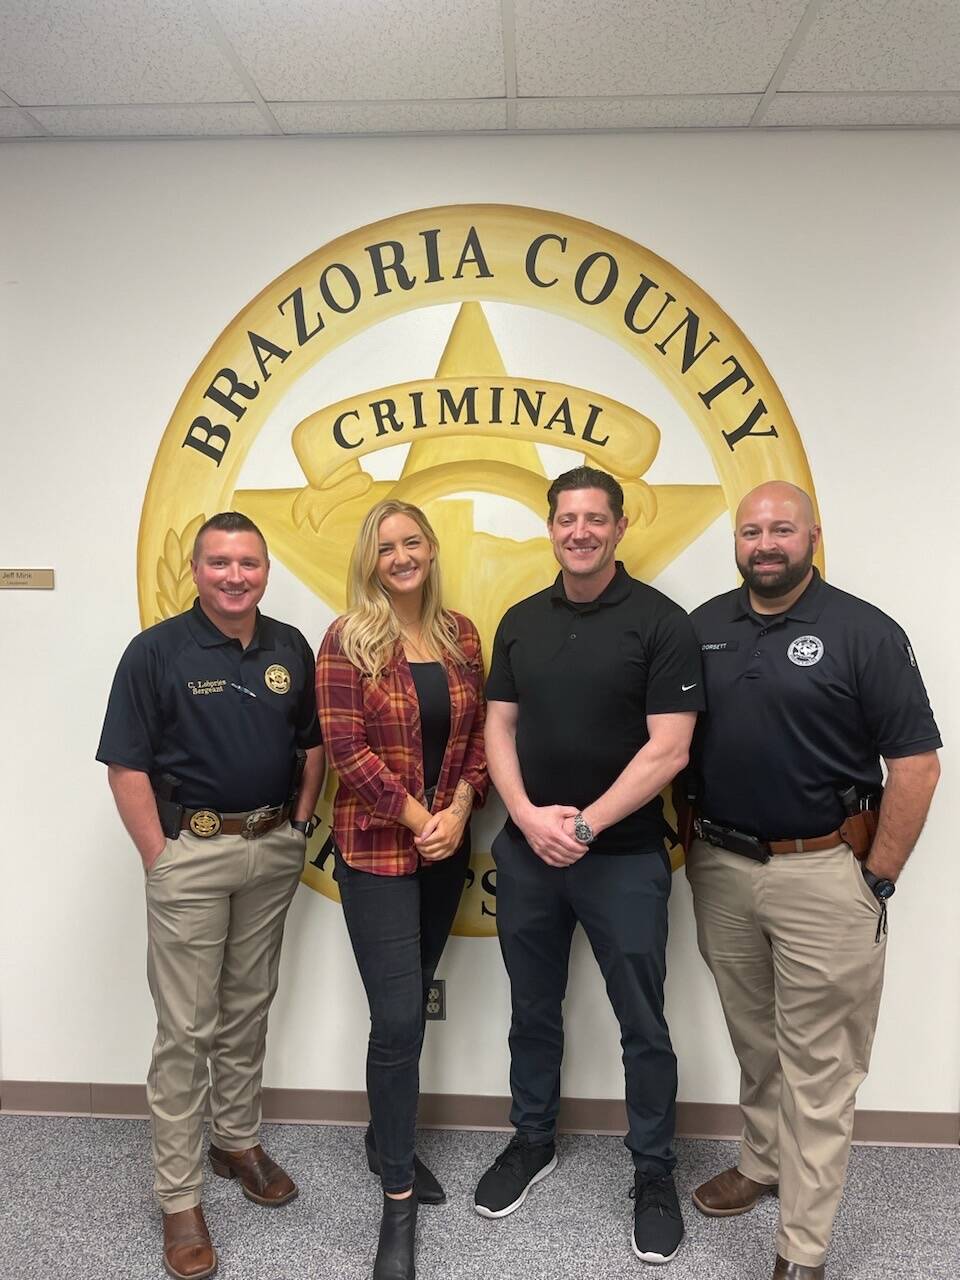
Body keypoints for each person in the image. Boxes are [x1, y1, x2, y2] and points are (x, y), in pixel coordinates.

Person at [684, 481, 941, 1280]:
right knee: (756, 1040)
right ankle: (762, 1162)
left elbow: (917, 767)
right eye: (752, 530)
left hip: (825, 872)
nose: (766, 543)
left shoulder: (863, 631)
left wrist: (879, 878)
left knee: (821, 1066)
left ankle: (804, 1247)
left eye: (782, 529)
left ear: (813, 536)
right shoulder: (702, 628)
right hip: (721, 869)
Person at [474, 465, 703, 1265]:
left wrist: (585, 824)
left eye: (594, 519)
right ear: (551, 527)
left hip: (625, 857)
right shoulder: (520, 621)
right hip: (531, 851)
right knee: (531, 1008)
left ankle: (653, 1172)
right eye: (566, 519)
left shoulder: (661, 622)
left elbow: (668, 747)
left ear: (619, 526)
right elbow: (497, 729)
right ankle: (531, 1140)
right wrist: (530, 818)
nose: (580, 532)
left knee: (642, 1022)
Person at [97, 511, 324, 1280]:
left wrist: (296, 827)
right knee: (185, 1029)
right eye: (220, 562)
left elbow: (312, 744)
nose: (235, 575)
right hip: (190, 854)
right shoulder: (155, 651)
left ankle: (235, 1140)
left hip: (270, 850)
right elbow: (125, 768)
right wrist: (160, 860)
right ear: (196, 570)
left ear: (266, 569)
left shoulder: (289, 645)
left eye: (249, 563)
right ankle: (179, 1198)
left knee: (248, 1007)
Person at [315, 499, 487, 1280]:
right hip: (378, 853)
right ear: (370, 559)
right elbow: (346, 751)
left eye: (411, 541)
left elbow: (480, 736)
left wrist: (457, 808)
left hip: (446, 850)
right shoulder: (345, 640)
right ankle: (397, 1193)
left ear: (430, 548)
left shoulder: (461, 636)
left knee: (411, 998)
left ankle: (386, 1136)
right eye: (385, 546)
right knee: (395, 1020)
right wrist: (423, 816)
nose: (401, 555)